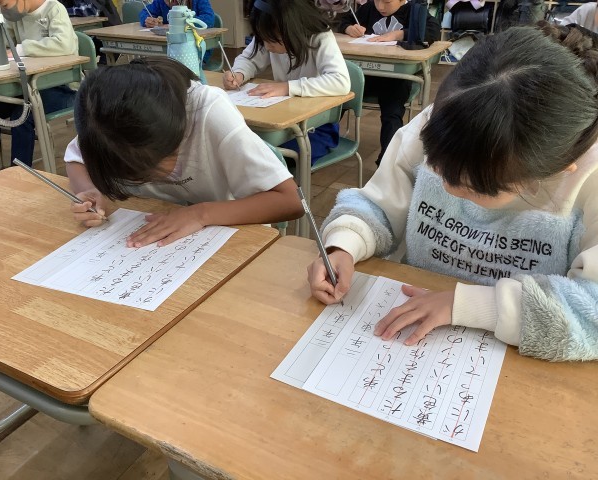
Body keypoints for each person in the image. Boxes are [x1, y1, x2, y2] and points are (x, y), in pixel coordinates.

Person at [307, 26, 598, 361]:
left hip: (509, 361)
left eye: (474, 186)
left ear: (556, 172)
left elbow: (591, 313)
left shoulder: (587, 178)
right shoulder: (441, 124)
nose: (446, 186)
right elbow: (378, 204)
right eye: (438, 167)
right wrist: (343, 245)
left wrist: (468, 306)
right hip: (413, 330)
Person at [64, 57, 303, 247]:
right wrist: (90, 191)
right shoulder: (103, 124)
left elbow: (290, 201)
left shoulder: (208, 113)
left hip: (229, 232)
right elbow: (75, 159)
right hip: (155, 237)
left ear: (174, 137)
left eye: (147, 170)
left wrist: (200, 214)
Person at [223, 0, 351, 165]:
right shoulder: (270, 31)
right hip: (283, 119)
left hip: (316, 126)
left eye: (272, 41)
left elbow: (341, 81)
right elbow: (250, 59)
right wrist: (239, 73)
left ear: (292, 30)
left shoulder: (319, 37)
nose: (267, 47)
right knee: (242, 146)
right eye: (263, 40)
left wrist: (288, 87)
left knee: (269, 157)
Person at [0, 0, 77, 177]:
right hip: (27, 85)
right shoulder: (17, 16)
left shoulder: (54, 9)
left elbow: (64, 45)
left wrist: (22, 48)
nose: (3, 9)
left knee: (22, 114)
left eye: (5, 4)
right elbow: (6, 44)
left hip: (60, 86)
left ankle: (19, 176)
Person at [338, 0, 440, 164]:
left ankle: (387, 161)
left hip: (396, 79)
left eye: (387, 2)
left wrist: (400, 34)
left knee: (392, 113)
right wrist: (349, 28)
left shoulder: (414, 10)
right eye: (377, 1)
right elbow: (344, 21)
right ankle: (319, 144)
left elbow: (433, 31)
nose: (380, 7)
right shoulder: (368, 8)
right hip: (367, 76)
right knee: (337, 98)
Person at [139, 0, 214, 28]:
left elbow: (209, 18)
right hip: (169, 44)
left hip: (197, 46)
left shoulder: (198, 1)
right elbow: (145, 12)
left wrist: (181, 23)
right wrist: (148, 21)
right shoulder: (161, 2)